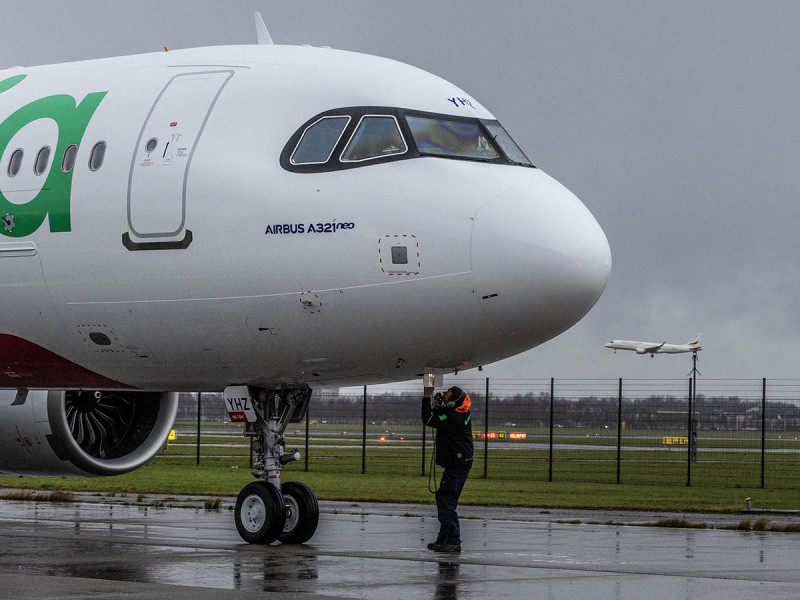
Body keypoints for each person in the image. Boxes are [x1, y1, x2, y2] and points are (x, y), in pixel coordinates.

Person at [422, 385, 474, 553]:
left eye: (447, 394)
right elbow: (441, 417)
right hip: (458, 462)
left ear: (453, 402)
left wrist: (426, 397)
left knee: (446, 501)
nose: (444, 394)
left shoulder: (454, 418)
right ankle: (444, 540)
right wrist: (439, 407)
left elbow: (429, 420)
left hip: (458, 464)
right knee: (444, 499)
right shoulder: (458, 413)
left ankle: (453, 540)